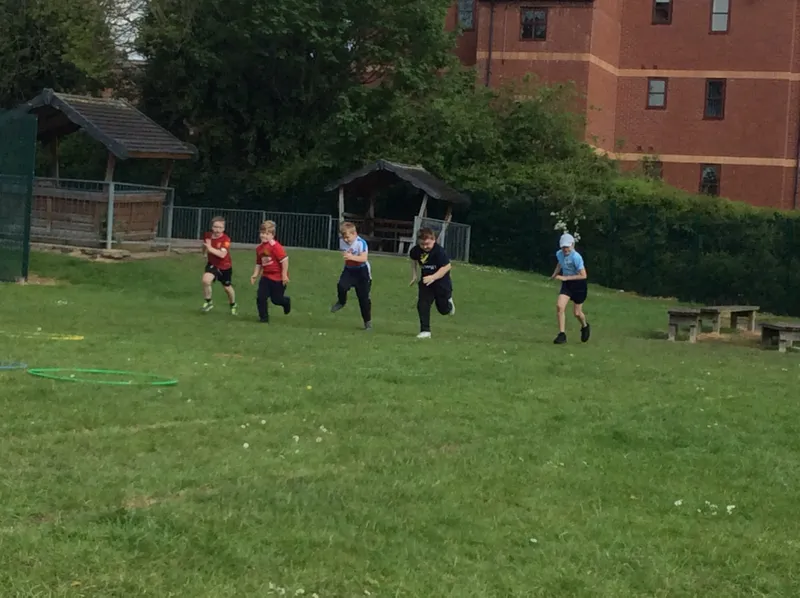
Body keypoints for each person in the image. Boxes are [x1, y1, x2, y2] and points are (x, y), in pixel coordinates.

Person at [409, 227, 455, 339]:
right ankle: (425, 331)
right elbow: (413, 259)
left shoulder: (439, 251)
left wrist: (433, 277)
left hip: (441, 282)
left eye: (427, 244)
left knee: (443, 310)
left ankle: (449, 304)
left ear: (434, 240)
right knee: (422, 304)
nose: (425, 247)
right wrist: (414, 275)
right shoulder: (416, 250)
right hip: (426, 282)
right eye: (422, 244)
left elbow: (447, 267)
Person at [330, 221, 372, 330]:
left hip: (362, 271)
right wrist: (349, 258)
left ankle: (367, 322)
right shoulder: (342, 242)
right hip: (349, 270)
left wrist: (351, 257)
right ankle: (341, 301)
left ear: (354, 234)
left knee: (363, 299)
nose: (345, 240)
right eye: (344, 237)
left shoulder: (361, 243)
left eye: (347, 237)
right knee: (341, 286)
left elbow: (364, 258)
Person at [551, 233, 589, 344]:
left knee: (577, 313)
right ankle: (562, 334)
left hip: (579, 285)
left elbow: (583, 275)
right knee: (560, 306)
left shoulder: (576, 257)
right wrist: (554, 274)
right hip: (567, 285)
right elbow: (560, 264)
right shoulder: (559, 254)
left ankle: (585, 326)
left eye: (567, 247)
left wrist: (566, 277)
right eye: (563, 247)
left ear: (572, 245)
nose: (565, 249)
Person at [250, 220, 291, 323]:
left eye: (267, 234)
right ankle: (263, 318)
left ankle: (286, 302)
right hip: (266, 277)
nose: (264, 236)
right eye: (262, 233)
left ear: (272, 235)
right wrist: (255, 274)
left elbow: (284, 260)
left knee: (276, 300)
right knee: (261, 297)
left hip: (278, 278)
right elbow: (259, 263)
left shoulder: (275, 247)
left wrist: (284, 275)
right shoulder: (259, 248)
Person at [201, 216, 237, 315]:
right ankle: (208, 302)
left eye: (220, 227)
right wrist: (204, 253)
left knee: (227, 288)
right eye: (215, 227)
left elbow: (222, 254)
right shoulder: (207, 236)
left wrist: (209, 248)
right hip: (213, 264)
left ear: (224, 228)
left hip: (224, 266)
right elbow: (204, 245)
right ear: (212, 227)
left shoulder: (226, 239)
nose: (217, 230)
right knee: (206, 280)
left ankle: (233, 304)